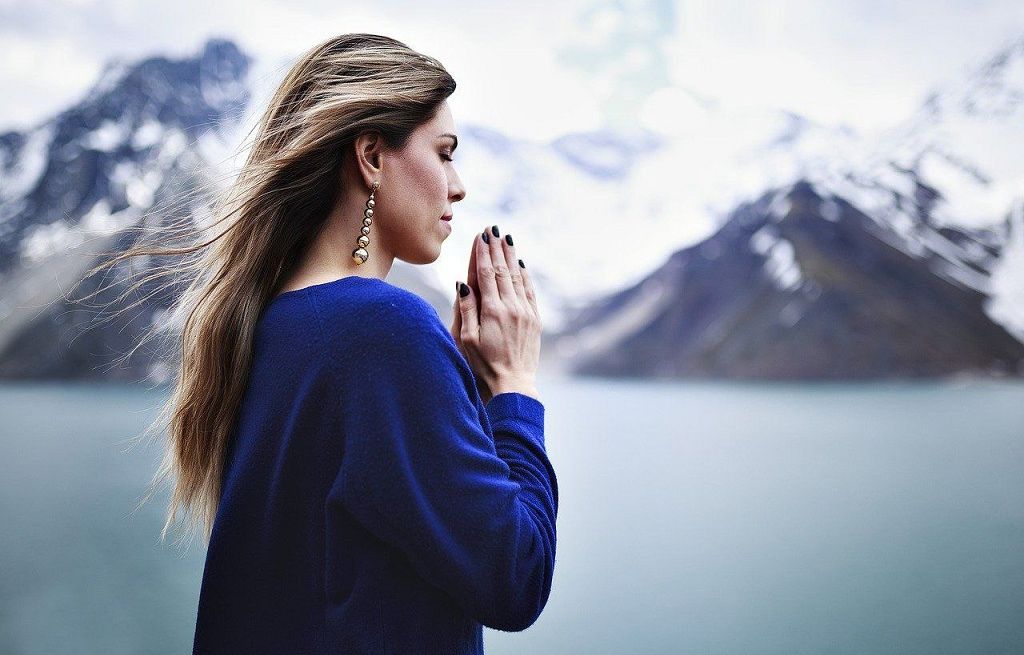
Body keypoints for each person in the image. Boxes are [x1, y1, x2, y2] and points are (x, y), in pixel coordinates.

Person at [167, 34, 560, 653]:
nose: (458, 186)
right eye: (444, 153)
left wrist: (460, 396)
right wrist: (514, 387)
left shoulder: (266, 325)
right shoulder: (383, 329)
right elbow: (517, 577)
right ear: (372, 156)